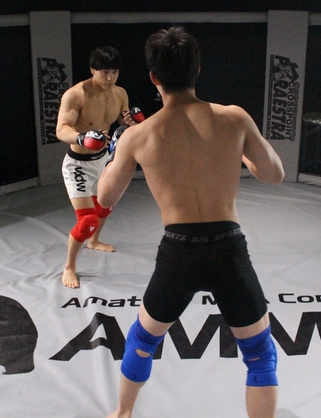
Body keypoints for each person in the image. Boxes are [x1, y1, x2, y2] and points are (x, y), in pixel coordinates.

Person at [98, 27, 285, 418]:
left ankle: (122, 414)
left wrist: (114, 155)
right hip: (228, 248)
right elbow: (274, 174)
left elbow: (105, 198)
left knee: (142, 342)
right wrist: (242, 154)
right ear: (197, 70)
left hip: (179, 251)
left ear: (154, 77)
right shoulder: (233, 118)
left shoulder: (139, 135)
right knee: (260, 355)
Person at [56, 46, 138, 289]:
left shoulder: (120, 93)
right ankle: (69, 267)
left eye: (114, 72)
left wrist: (131, 122)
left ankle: (94, 241)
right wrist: (81, 137)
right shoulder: (75, 95)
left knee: (104, 207)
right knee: (87, 221)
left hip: (103, 159)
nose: (110, 78)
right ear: (93, 70)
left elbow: (124, 120)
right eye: (105, 72)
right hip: (78, 165)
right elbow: (61, 129)